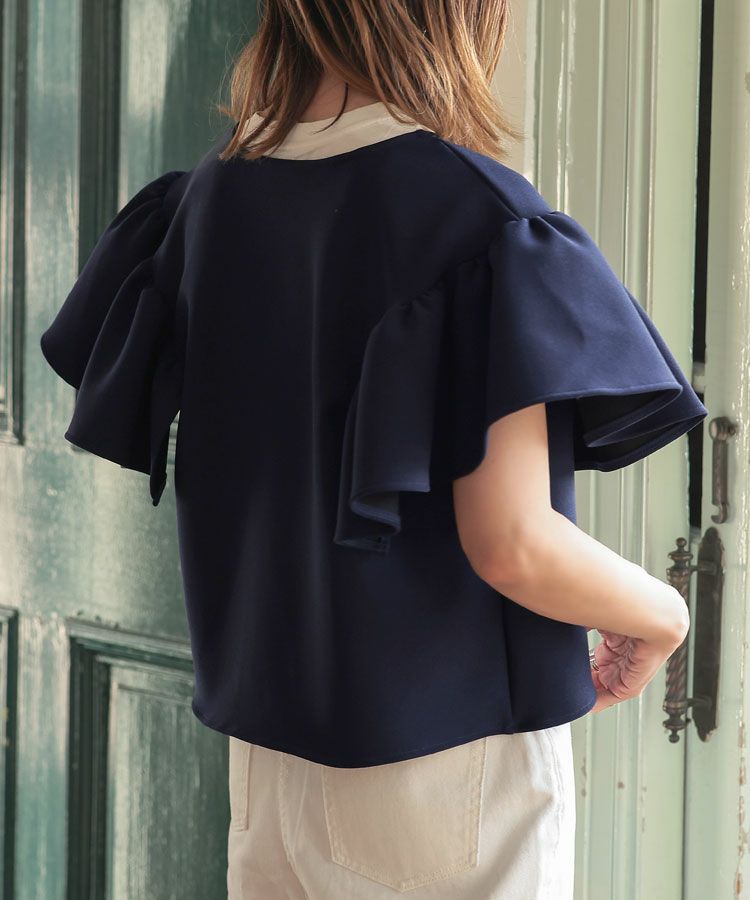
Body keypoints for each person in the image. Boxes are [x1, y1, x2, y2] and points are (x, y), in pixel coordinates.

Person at [39, 1, 707, 897]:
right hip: (446, 775)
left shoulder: (208, 200)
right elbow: (513, 543)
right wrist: (663, 615)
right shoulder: (478, 216)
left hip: (269, 767)